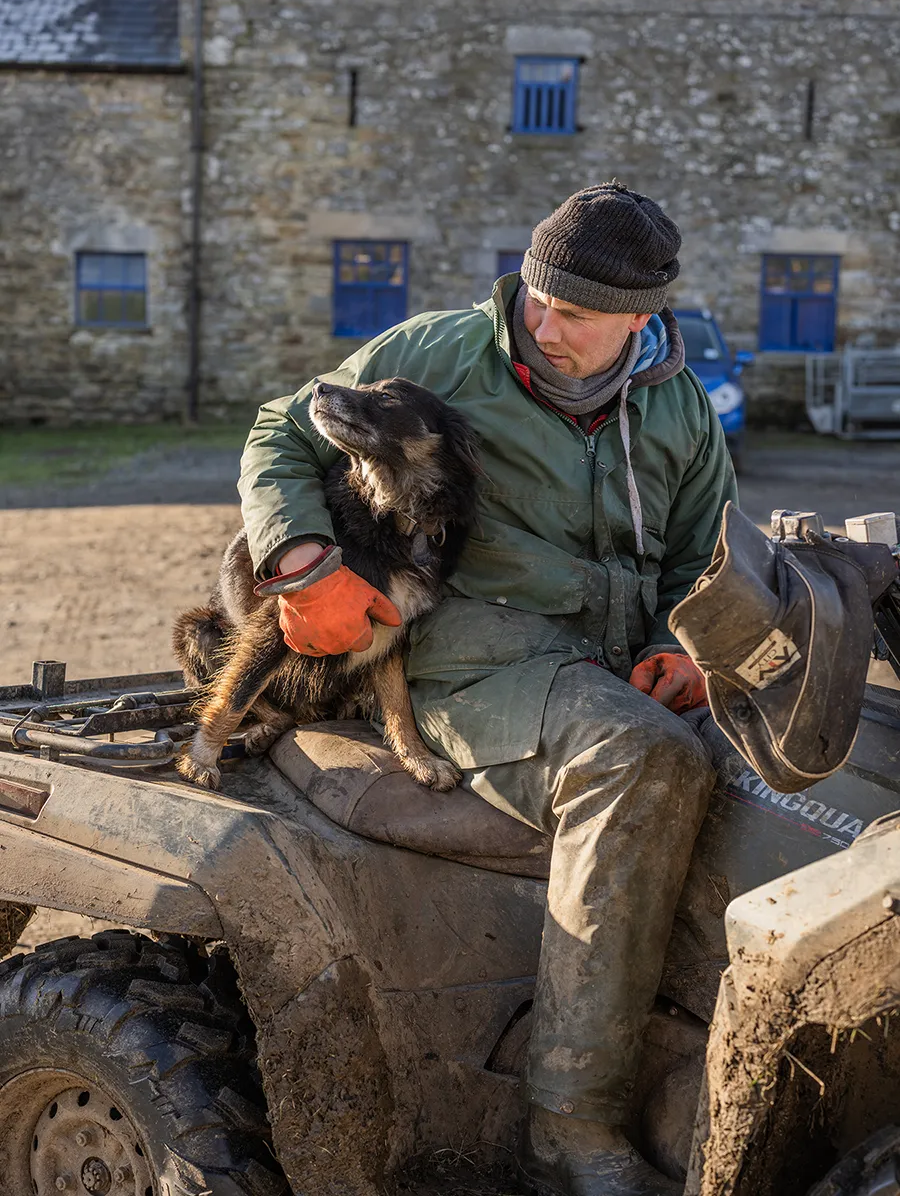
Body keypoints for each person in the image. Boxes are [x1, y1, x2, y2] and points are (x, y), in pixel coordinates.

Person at [238, 182, 736, 1196]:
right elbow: (281, 429)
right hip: (476, 655)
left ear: (642, 320)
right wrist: (300, 562)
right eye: (539, 300)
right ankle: (570, 1128)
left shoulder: (681, 403)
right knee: (638, 763)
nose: (545, 326)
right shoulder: (441, 353)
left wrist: (687, 641)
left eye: (578, 316)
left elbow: (706, 555)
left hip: (614, 661)